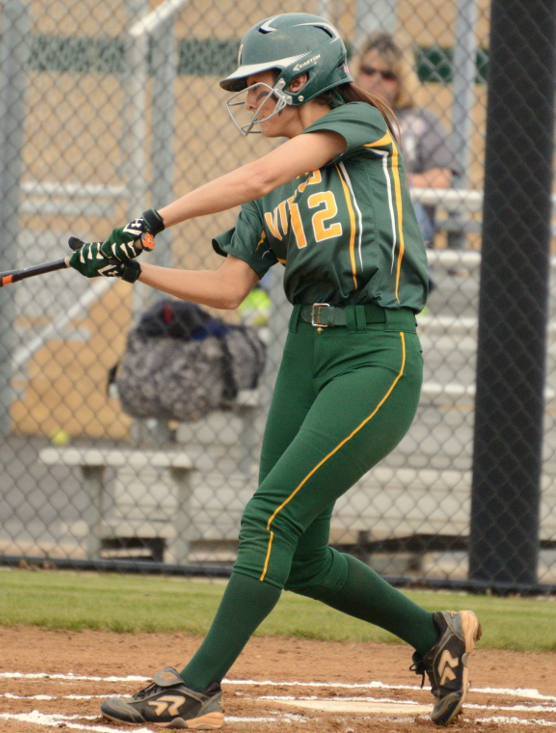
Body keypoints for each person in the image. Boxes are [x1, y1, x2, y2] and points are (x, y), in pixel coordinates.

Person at [67, 14, 480, 729]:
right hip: (305, 350)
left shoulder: (358, 123)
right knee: (303, 555)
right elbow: (230, 289)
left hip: (376, 350)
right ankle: (433, 634)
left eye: (260, 84)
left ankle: (196, 685)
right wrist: (137, 268)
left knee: (267, 517)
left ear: (301, 79)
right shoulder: (268, 196)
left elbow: (263, 170)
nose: (251, 98)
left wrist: (152, 216)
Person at [354, 32, 457, 245]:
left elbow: (441, 178)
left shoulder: (423, 121)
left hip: (402, 208)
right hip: (348, 204)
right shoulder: (337, 115)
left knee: (403, 209)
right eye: (369, 71)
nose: (376, 80)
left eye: (388, 75)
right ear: (357, 71)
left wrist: (388, 181)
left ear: (402, 79)